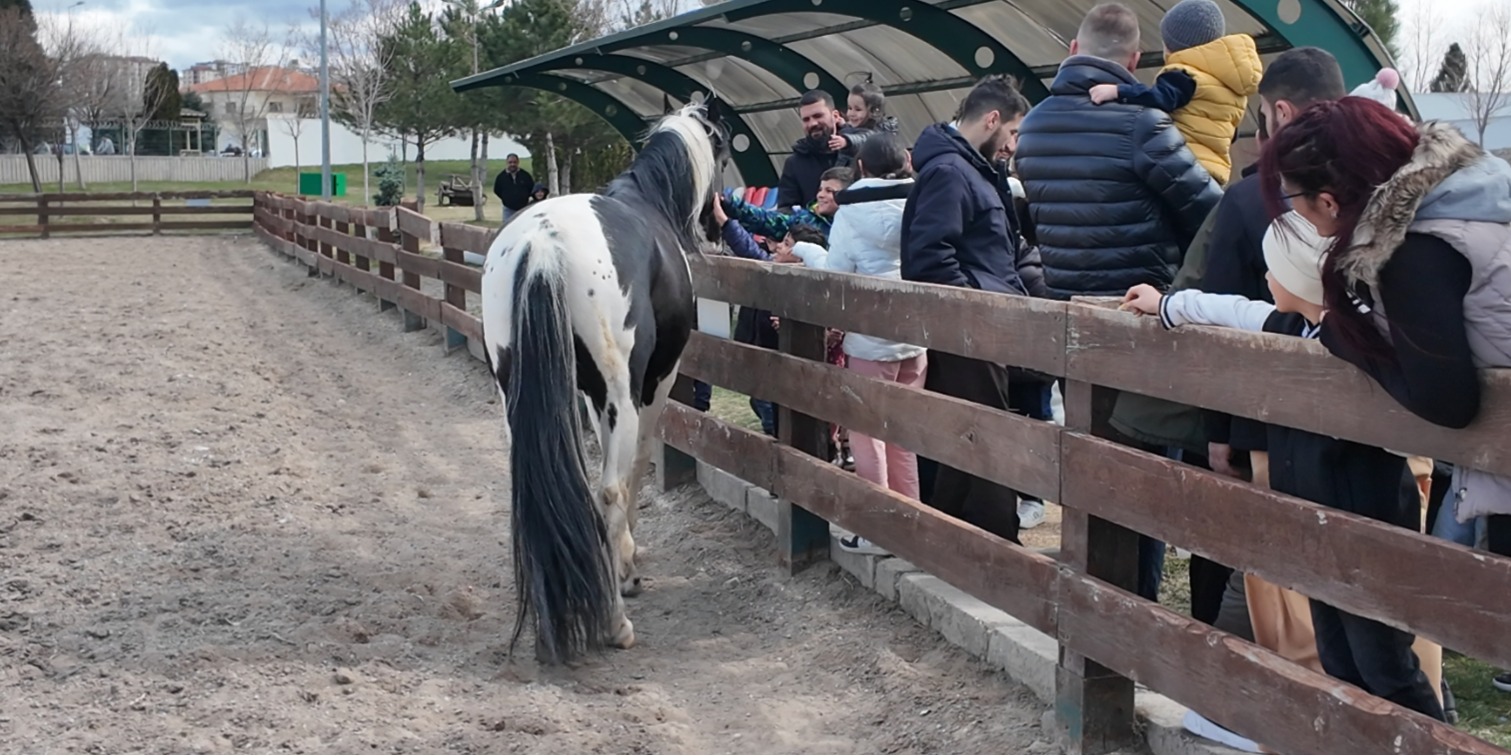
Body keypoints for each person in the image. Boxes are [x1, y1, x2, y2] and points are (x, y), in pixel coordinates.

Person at [1121, 208, 1447, 723]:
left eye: (1274, 269)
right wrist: (1167, 304)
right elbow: (1235, 310)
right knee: (1338, 656)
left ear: (1297, 276)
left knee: (1384, 662)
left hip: (1367, 521)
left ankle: (1433, 742)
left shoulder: (1355, 339)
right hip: (1316, 520)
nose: (1266, 278)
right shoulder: (1295, 325)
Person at [1259, 96, 1511, 694]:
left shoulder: (1418, 249)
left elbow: (1447, 402)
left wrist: (1348, 343)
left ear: (1328, 201)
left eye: (1293, 200)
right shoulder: (1479, 200)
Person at [1015, 1, 1222, 300]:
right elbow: (1211, 212)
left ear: (1073, 48)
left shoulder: (1031, 126)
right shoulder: (1143, 124)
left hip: (1062, 300)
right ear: (1134, 61)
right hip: (1139, 304)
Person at [901, 74, 1032, 543]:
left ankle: (948, 540)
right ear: (992, 120)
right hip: (970, 328)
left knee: (967, 442)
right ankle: (999, 547)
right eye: (1013, 132)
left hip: (980, 324)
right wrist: (972, 313)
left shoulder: (971, 170)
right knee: (986, 441)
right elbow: (929, 256)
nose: (1013, 145)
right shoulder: (952, 173)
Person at [790, 133, 926, 556]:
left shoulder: (852, 210)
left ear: (861, 167)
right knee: (903, 435)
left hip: (870, 340)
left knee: (868, 436)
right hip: (916, 336)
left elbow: (837, 272)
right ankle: (910, 522)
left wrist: (805, 250)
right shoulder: (919, 199)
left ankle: (878, 529)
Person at [1086, 0, 1261, 186]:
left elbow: (1160, 98)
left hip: (1181, 164)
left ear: (1173, 47)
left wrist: (1119, 91)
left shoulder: (1184, 75)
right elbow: (1230, 133)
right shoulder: (1229, 85)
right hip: (1213, 173)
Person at [722, 167, 853, 240]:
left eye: (829, 191)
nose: (820, 195)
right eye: (820, 189)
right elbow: (766, 220)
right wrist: (731, 203)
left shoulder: (857, 227)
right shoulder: (804, 220)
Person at [777, 90, 844, 210]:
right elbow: (786, 209)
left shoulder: (857, 153)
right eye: (806, 119)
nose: (813, 123)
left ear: (835, 116)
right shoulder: (794, 164)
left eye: (818, 116)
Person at [828, 78, 900, 169]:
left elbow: (864, 139)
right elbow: (857, 132)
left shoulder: (879, 134)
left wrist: (847, 141)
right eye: (850, 108)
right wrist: (843, 125)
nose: (851, 113)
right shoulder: (859, 126)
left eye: (858, 109)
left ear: (874, 112)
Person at [493, 153, 534, 225]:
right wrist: (506, 198)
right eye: (510, 162)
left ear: (518, 162)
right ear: (507, 162)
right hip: (508, 209)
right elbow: (497, 190)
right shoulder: (501, 177)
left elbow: (531, 188)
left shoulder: (525, 175)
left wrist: (524, 197)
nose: (512, 164)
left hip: (523, 208)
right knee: (507, 228)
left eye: (514, 162)